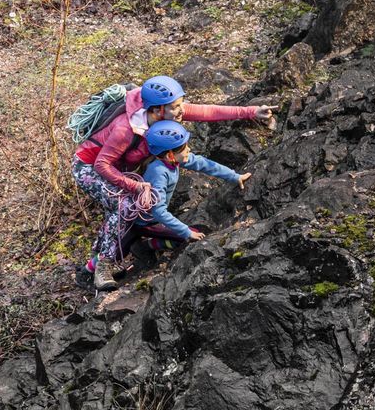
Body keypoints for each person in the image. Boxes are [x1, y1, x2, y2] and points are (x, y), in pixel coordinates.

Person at [73, 75, 273, 290]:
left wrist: (251, 112)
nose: (181, 111)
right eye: (176, 107)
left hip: (119, 167)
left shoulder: (165, 114)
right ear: (158, 110)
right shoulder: (125, 130)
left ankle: (97, 262)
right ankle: (102, 266)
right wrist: (134, 185)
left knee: (125, 212)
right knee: (123, 207)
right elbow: (102, 165)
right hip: (89, 166)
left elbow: (209, 112)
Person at [113, 121, 249, 271]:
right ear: (170, 154)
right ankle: (146, 246)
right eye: (185, 148)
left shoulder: (171, 161)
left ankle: (145, 245)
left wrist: (234, 176)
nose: (189, 149)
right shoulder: (158, 172)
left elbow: (204, 164)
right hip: (144, 222)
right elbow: (158, 211)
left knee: (121, 248)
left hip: (148, 220)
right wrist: (186, 231)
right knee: (114, 254)